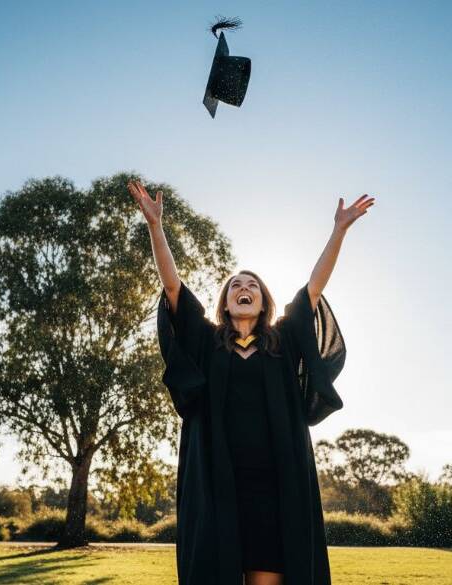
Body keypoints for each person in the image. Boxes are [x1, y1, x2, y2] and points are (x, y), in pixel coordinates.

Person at [128, 179, 374, 585]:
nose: (244, 289)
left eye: (252, 286)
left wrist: (339, 230)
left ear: (264, 301)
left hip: (275, 484)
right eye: (236, 286)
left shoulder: (283, 340)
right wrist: (156, 227)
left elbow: (314, 287)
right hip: (217, 482)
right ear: (225, 302)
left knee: (270, 576)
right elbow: (173, 287)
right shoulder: (208, 342)